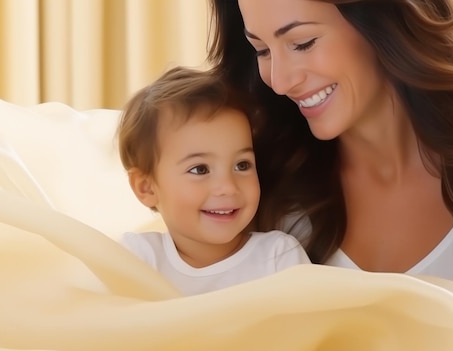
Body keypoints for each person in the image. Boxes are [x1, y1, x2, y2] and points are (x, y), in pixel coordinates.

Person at [206, 0, 453, 306]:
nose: (280, 81)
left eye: (303, 43)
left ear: (381, 19)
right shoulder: (255, 191)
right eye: (262, 51)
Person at [115, 66, 311, 296]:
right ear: (146, 187)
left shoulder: (278, 257)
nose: (228, 187)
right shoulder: (138, 258)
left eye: (242, 165)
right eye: (200, 169)